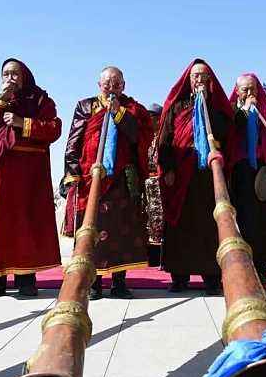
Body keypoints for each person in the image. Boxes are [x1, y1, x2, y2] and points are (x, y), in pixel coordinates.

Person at [62, 66, 153, 300]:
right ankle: (93, 284)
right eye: (107, 83)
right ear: (99, 85)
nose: (111, 87)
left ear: (124, 85)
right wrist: (72, 173)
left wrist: (118, 113)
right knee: (92, 229)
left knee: (122, 231)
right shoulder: (86, 106)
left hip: (122, 179)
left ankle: (119, 283)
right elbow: (74, 141)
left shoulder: (133, 108)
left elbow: (140, 136)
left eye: (116, 83)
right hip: (92, 177)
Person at [0, 58, 62, 298]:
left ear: (24, 77)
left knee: (25, 223)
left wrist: (23, 123)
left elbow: (54, 129)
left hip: (29, 172)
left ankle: (26, 280)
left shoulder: (40, 100)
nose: (10, 78)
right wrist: (1, 101)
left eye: (15, 74)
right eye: (5, 74)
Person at [158, 59, 234, 295]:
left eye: (203, 76)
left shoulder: (217, 108)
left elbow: (227, 134)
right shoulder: (178, 106)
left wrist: (206, 106)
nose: (199, 79)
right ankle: (179, 276)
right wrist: (168, 168)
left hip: (208, 174)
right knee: (179, 222)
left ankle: (211, 277)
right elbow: (165, 139)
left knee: (209, 224)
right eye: (195, 76)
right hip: (181, 172)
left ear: (210, 81)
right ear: (189, 80)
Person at [228, 73, 266, 288]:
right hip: (241, 172)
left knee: (262, 223)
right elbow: (230, 132)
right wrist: (245, 110)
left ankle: (261, 270)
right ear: (237, 91)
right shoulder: (232, 111)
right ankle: (243, 269)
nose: (250, 93)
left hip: (263, 171)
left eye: (253, 88)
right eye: (245, 89)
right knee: (243, 221)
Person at [144, 103, 164, 267]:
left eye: (153, 117)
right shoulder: (144, 137)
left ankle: (161, 257)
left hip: (160, 184)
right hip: (146, 184)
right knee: (146, 218)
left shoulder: (165, 136)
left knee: (160, 218)